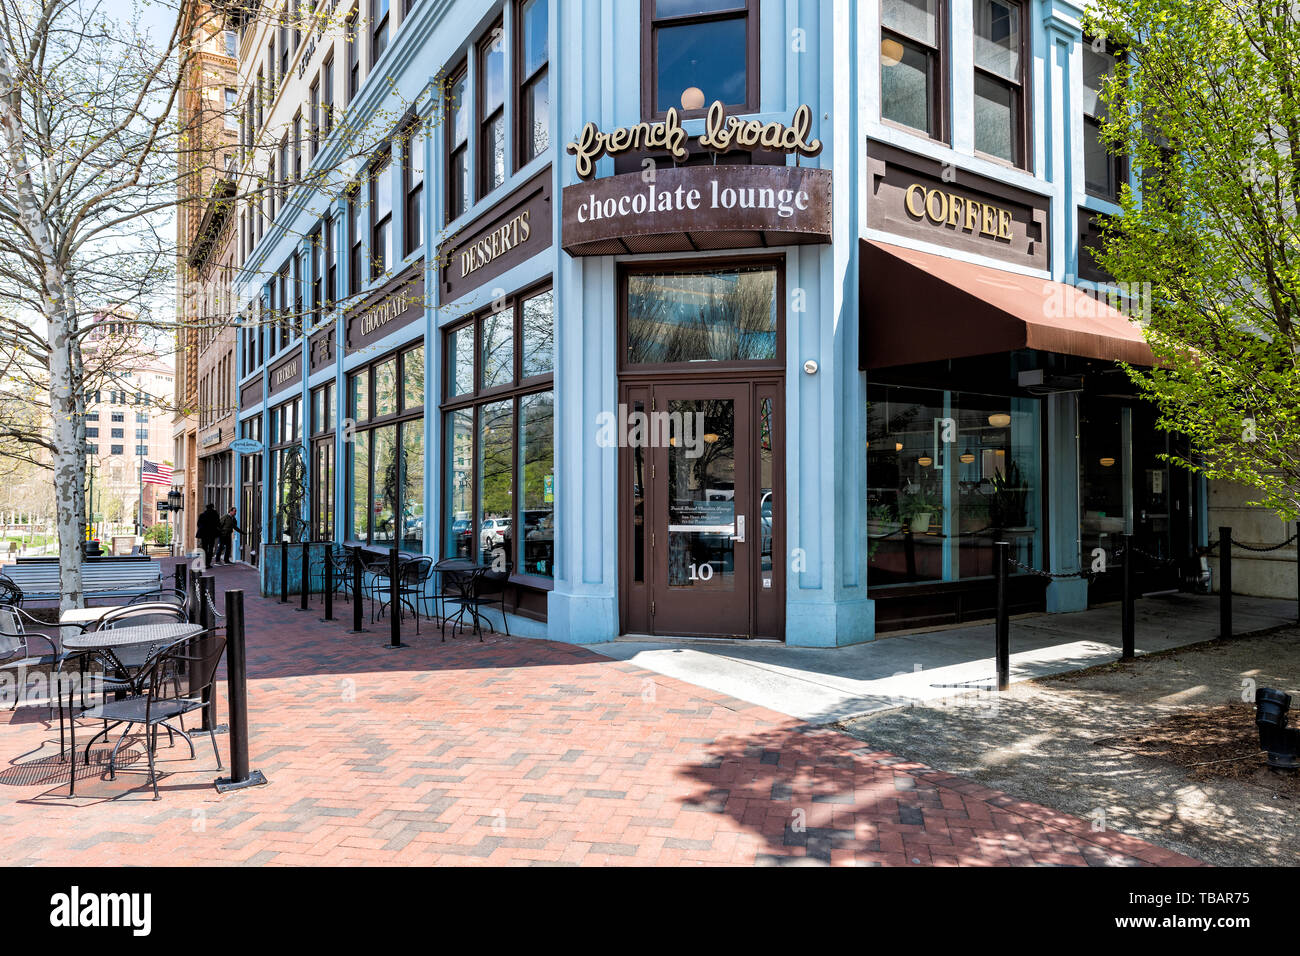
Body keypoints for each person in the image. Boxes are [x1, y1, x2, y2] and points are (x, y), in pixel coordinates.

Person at [196, 503, 221, 570]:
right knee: (210, 548)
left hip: (204, 534)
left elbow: (198, 524)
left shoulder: (202, 515)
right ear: (212, 507)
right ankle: (208, 563)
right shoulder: (215, 515)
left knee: (204, 548)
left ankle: (204, 563)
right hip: (211, 534)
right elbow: (218, 524)